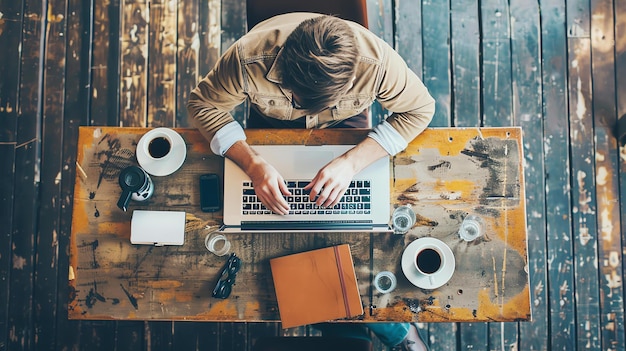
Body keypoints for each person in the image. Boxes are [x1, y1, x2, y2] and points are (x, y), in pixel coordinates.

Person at [188, 12, 433, 351]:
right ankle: (394, 332)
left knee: (357, 244)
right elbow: (202, 104)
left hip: (347, 134)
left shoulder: (377, 64)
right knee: (279, 243)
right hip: (269, 136)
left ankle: (375, 328)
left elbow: (420, 110)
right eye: (295, 98)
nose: (303, 111)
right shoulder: (247, 58)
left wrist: (351, 163)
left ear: (348, 84)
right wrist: (254, 165)